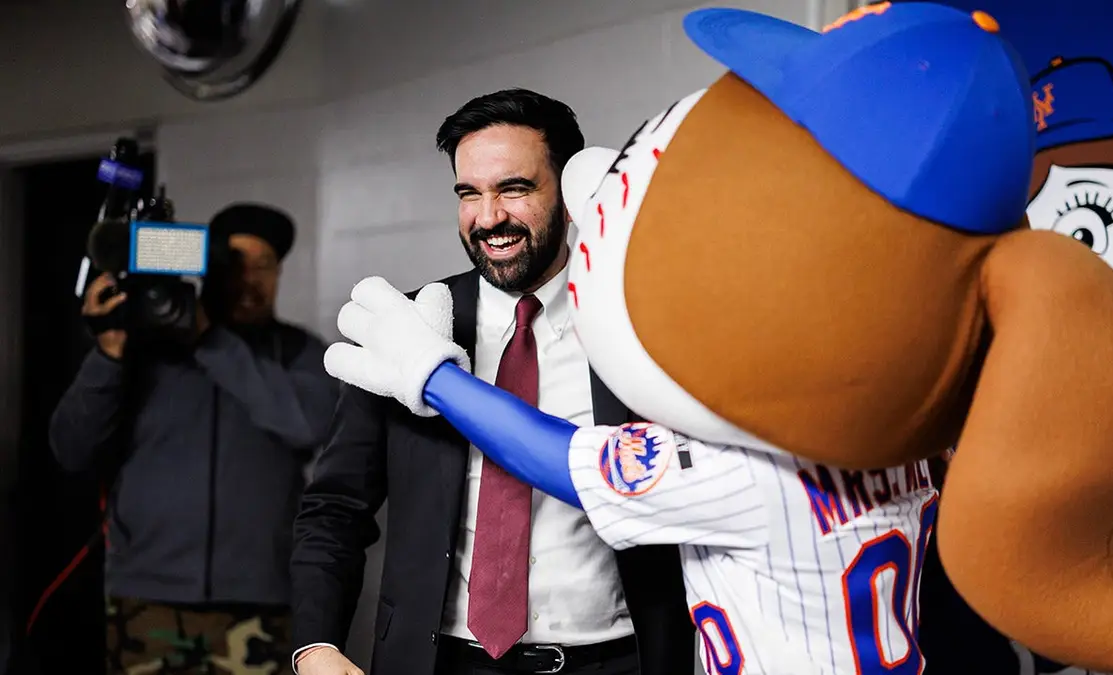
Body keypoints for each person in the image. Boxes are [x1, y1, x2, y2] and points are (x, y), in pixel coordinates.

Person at [290, 89, 696, 675]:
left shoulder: (637, 324)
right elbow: (334, 507)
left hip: (616, 661)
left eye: (514, 188)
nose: (488, 218)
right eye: (468, 194)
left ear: (570, 192)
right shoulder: (403, 328)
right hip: (441, 663)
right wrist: (316, 646)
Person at [49, 203, 339, 674]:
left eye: (264, 266)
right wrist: (108, 356)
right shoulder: (143, 351)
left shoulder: (301, 354)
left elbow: (312, 425)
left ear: (280, 273)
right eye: (236, 266)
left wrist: (208, 339)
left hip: (260, 605)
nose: (250, 280)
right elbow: (71, 447)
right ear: (208, 271)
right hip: (146, 598)